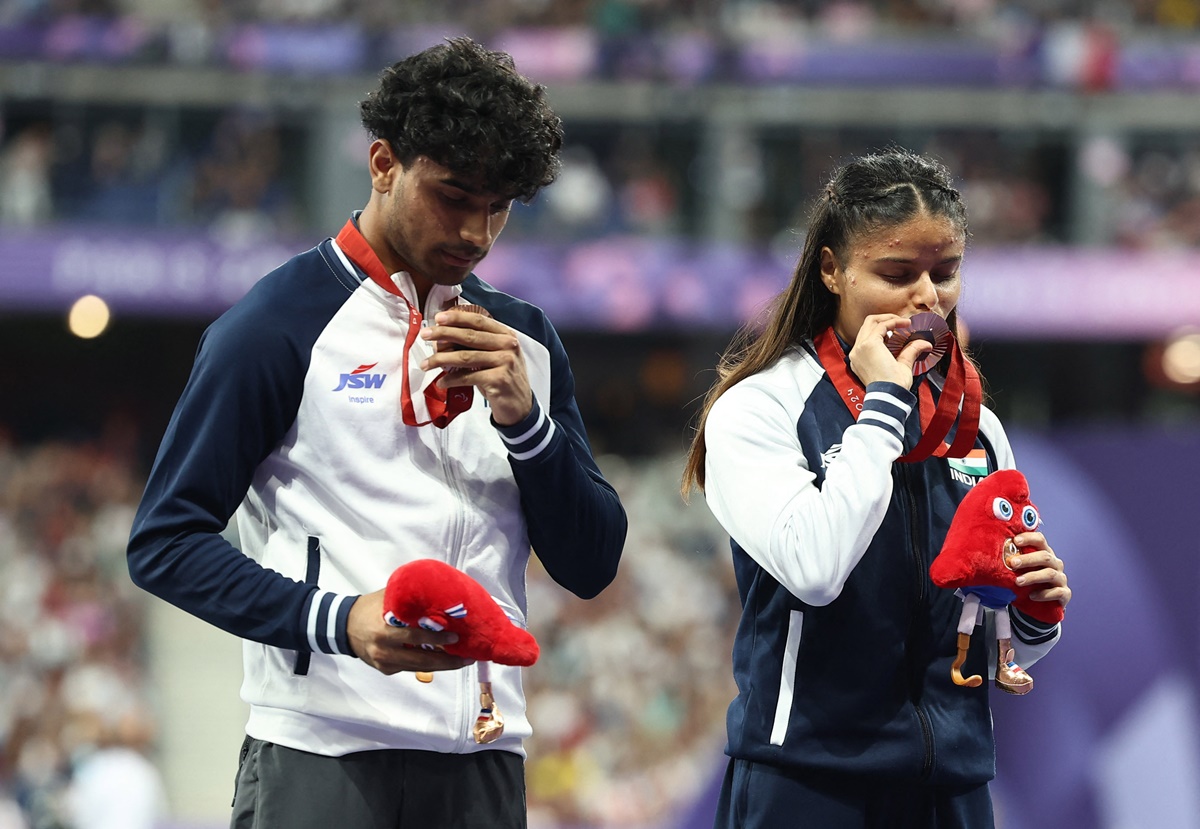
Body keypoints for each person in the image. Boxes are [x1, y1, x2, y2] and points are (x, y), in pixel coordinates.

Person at [127, 37, 627, 829]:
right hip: (320, 752)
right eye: (454, 195)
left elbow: (592, 562)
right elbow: (163, 542)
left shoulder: (524, 340)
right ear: (384, 162)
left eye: (498, 205)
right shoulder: (274, 325)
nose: (476, 231)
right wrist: (337, 619)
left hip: (483, 758)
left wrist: (526, 423)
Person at [681, 149, 1071, 828]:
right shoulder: (760, 407)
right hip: (806, 783)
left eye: (944, 274)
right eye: (896, 273)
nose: (927, 297)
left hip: (951, 785)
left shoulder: (979, 429)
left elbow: (993, 638)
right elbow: (816, 569)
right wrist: (886, 403)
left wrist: (1033, 610)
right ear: (832, 269)